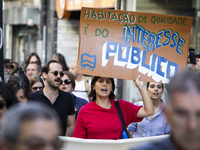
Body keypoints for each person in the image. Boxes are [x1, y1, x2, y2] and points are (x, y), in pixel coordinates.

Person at [130, 70, 200, 150]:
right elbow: (130, 132)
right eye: (182, 114)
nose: (192, 125)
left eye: (199, 114)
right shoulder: (137, 106)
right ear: (167, 115)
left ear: (163, 91)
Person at [73, 76, 154, 139]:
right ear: (93, 86)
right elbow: (78, 141)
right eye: (100, 81)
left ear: (112, 88)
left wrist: (141, 87)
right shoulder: (84, 111)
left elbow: (148, 111)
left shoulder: (122, 107)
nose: (104, 84)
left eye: (108, 82)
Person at [31, 60, 75, 136]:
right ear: (45, 75)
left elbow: (71, 125)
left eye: (60, 74)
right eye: (55, 73)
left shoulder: (68, 97)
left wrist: (63, 142)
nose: (58, 76)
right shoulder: (33, 97)